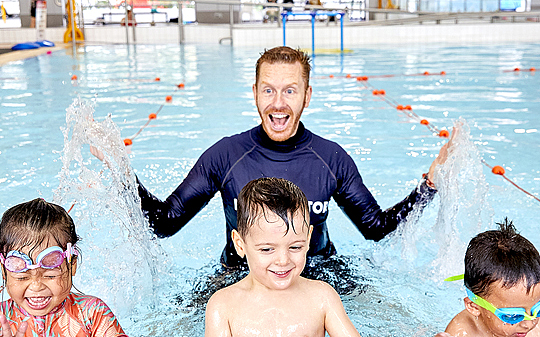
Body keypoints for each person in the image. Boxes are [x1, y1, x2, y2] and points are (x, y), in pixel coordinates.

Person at [91, 46, 453, 270]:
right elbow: (165, 223)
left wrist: (429, 186)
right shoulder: (226, 155)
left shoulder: (331, 158)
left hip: (318, 273)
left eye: (290, 90)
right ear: (254, 93)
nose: (278, 104)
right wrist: (123, 172)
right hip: (240, 274)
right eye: (269, 90)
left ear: (307, 95)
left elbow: (375, 229)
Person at [205, 177, 361, 337]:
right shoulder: (223, 306)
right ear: (240, 244)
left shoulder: (322, 297)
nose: (283, 260)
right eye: (267, 249)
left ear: (308, 240)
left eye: (295, 247)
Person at [0, 198, 128, 337]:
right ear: (4, 271)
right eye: (22, 277)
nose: (36, 287)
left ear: (72, 265)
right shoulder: (2, 320)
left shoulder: (92, 313)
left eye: (50, 276)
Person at [437, 219, 540, 337]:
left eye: (538, 309)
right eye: (513, 316)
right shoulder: (462, 332)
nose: (529, 324)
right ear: (474, 306)